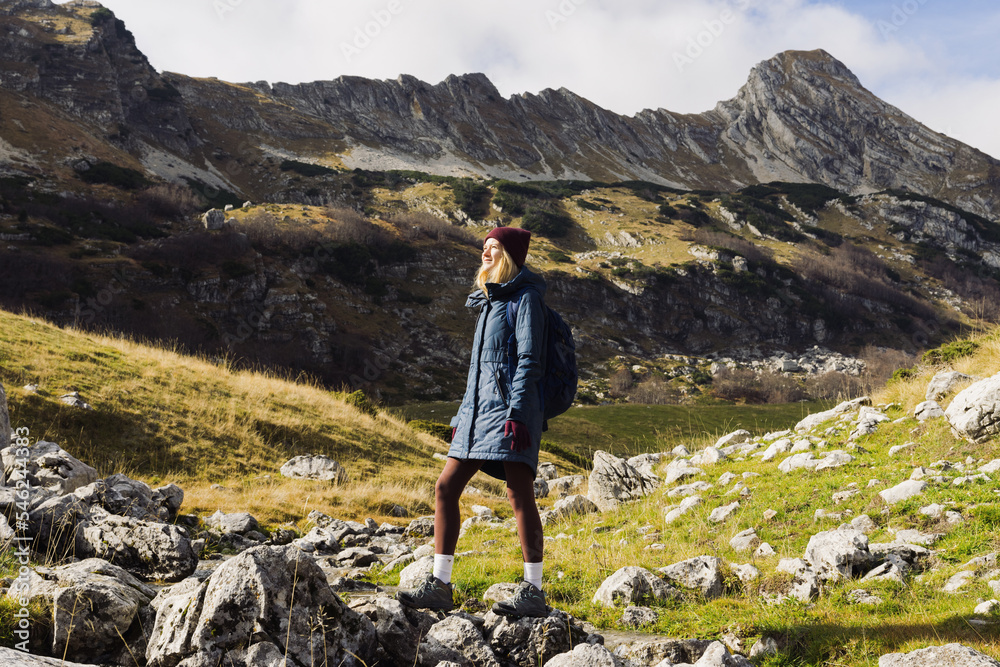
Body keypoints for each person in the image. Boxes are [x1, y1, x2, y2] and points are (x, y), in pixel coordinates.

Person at [397, 226, 548, 617]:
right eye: (484, 247)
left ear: (510, 255)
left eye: (493, 248)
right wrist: (460, 415)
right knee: (446, 487)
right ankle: (441, 585)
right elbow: (479, 371)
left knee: (519, 494)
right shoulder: (486, 302)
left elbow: (529, 361)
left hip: (512, 414)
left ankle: (533, 591)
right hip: (477, 415)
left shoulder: (526, 299)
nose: (485, 253)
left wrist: (517, 413)